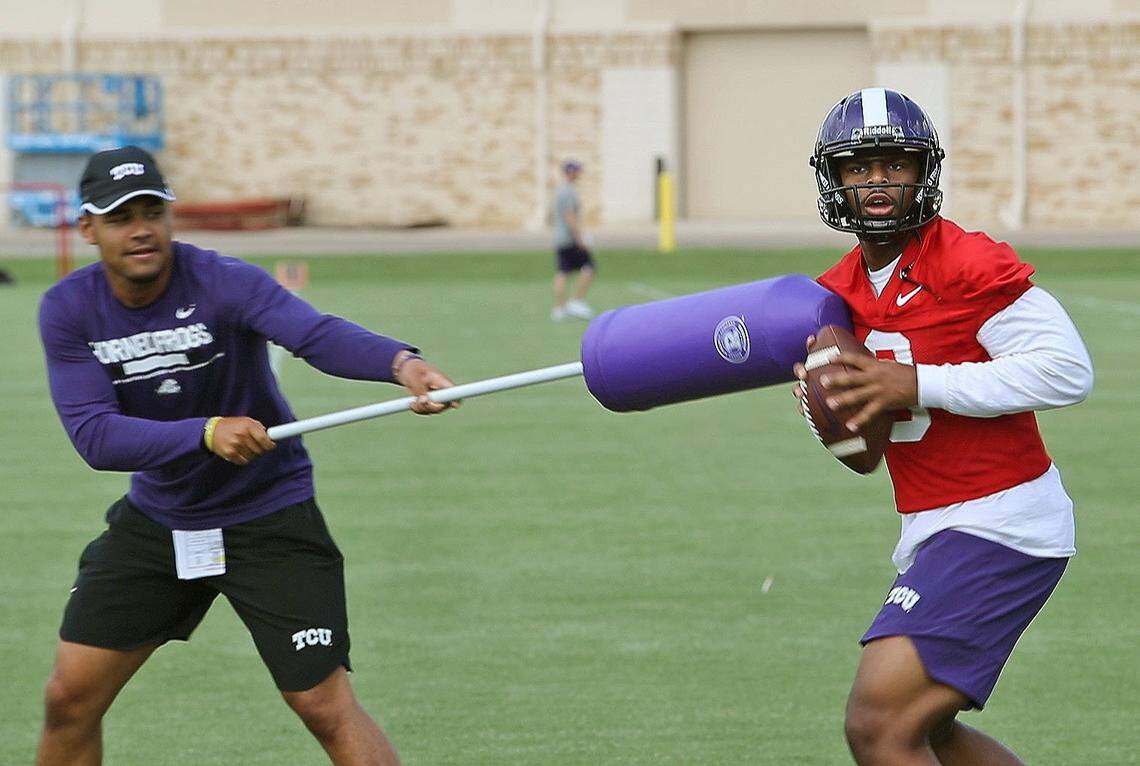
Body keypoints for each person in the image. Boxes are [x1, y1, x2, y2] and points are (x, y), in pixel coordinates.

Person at [35, 145, 457, 766]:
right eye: (122, 217)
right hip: (161, 522)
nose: (142, 229)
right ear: (89, 229)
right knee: (69, 698)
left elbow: (314, 335)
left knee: (323, 704)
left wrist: (402, 364)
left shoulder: (224, 281)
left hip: (267, 516)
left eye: (153, 211)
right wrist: (205, 432)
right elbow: (96, 436)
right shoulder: (69, 310)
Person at [793, 88, 1093, 765]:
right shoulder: (835, 293)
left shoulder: (966, 262)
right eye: (858, 167)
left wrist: (921, 381)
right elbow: (861, 451)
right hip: (932, 527)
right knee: (925, 731)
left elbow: (1067, 370)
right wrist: (831, 414)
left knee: (878, 723)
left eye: (894, 165)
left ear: (923, 172)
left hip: (1003, 520)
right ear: (832, 177)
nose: (877, 182)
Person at [550, 158, 596, 321]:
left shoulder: (560, 190)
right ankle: (576, 301)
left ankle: (559, 308)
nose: (579, 173)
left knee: (563, 272)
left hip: (560, 237)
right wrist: (580, 238)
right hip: (570, 239)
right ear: (570, 172)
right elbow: (569, 216)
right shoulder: (568, 191)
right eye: (576, 170)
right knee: (589, 267)